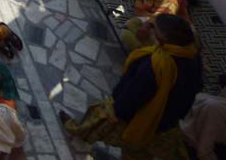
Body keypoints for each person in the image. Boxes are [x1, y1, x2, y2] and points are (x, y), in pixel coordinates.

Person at [62, 13, 202, 160]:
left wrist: (118, 110)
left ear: (163, 39)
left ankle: (75, 129)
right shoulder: (191, 56)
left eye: (155, 29)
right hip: (166, 124)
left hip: (138, 118)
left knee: (96, 120)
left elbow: (134, 96)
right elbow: (194, 89)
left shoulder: (158, 65)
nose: (152, 30)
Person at [121, 0, 191, 50]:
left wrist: (147, 25)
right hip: (154, 31)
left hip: (175, 31)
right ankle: (147, 51)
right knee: (126, 33)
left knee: (134, 22)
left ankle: (151, 51)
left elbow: (167, 13)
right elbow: (141, 14)